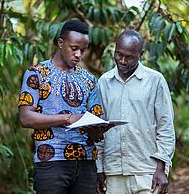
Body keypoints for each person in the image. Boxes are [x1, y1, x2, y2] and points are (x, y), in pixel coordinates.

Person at [18, 19, 108, 194]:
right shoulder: (37, 73)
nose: (78, 54)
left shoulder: (89, 80)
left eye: (82, 50)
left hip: (86, 162)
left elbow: (97, 117)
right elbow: (25, 118)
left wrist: (100, 128)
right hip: (51, 161)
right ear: (60, 43)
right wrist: (67, 119)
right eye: (74, 48)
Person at [96, 30, 175, 194]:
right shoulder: (104, 82)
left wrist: (161, 168)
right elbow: (99, 129)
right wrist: (99, 168)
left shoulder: (155, 81)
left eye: (129, 57)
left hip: (147, 172)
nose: (122, 61)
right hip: (114, 172)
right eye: (119, 54)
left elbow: (165, 126)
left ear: (141, 54)